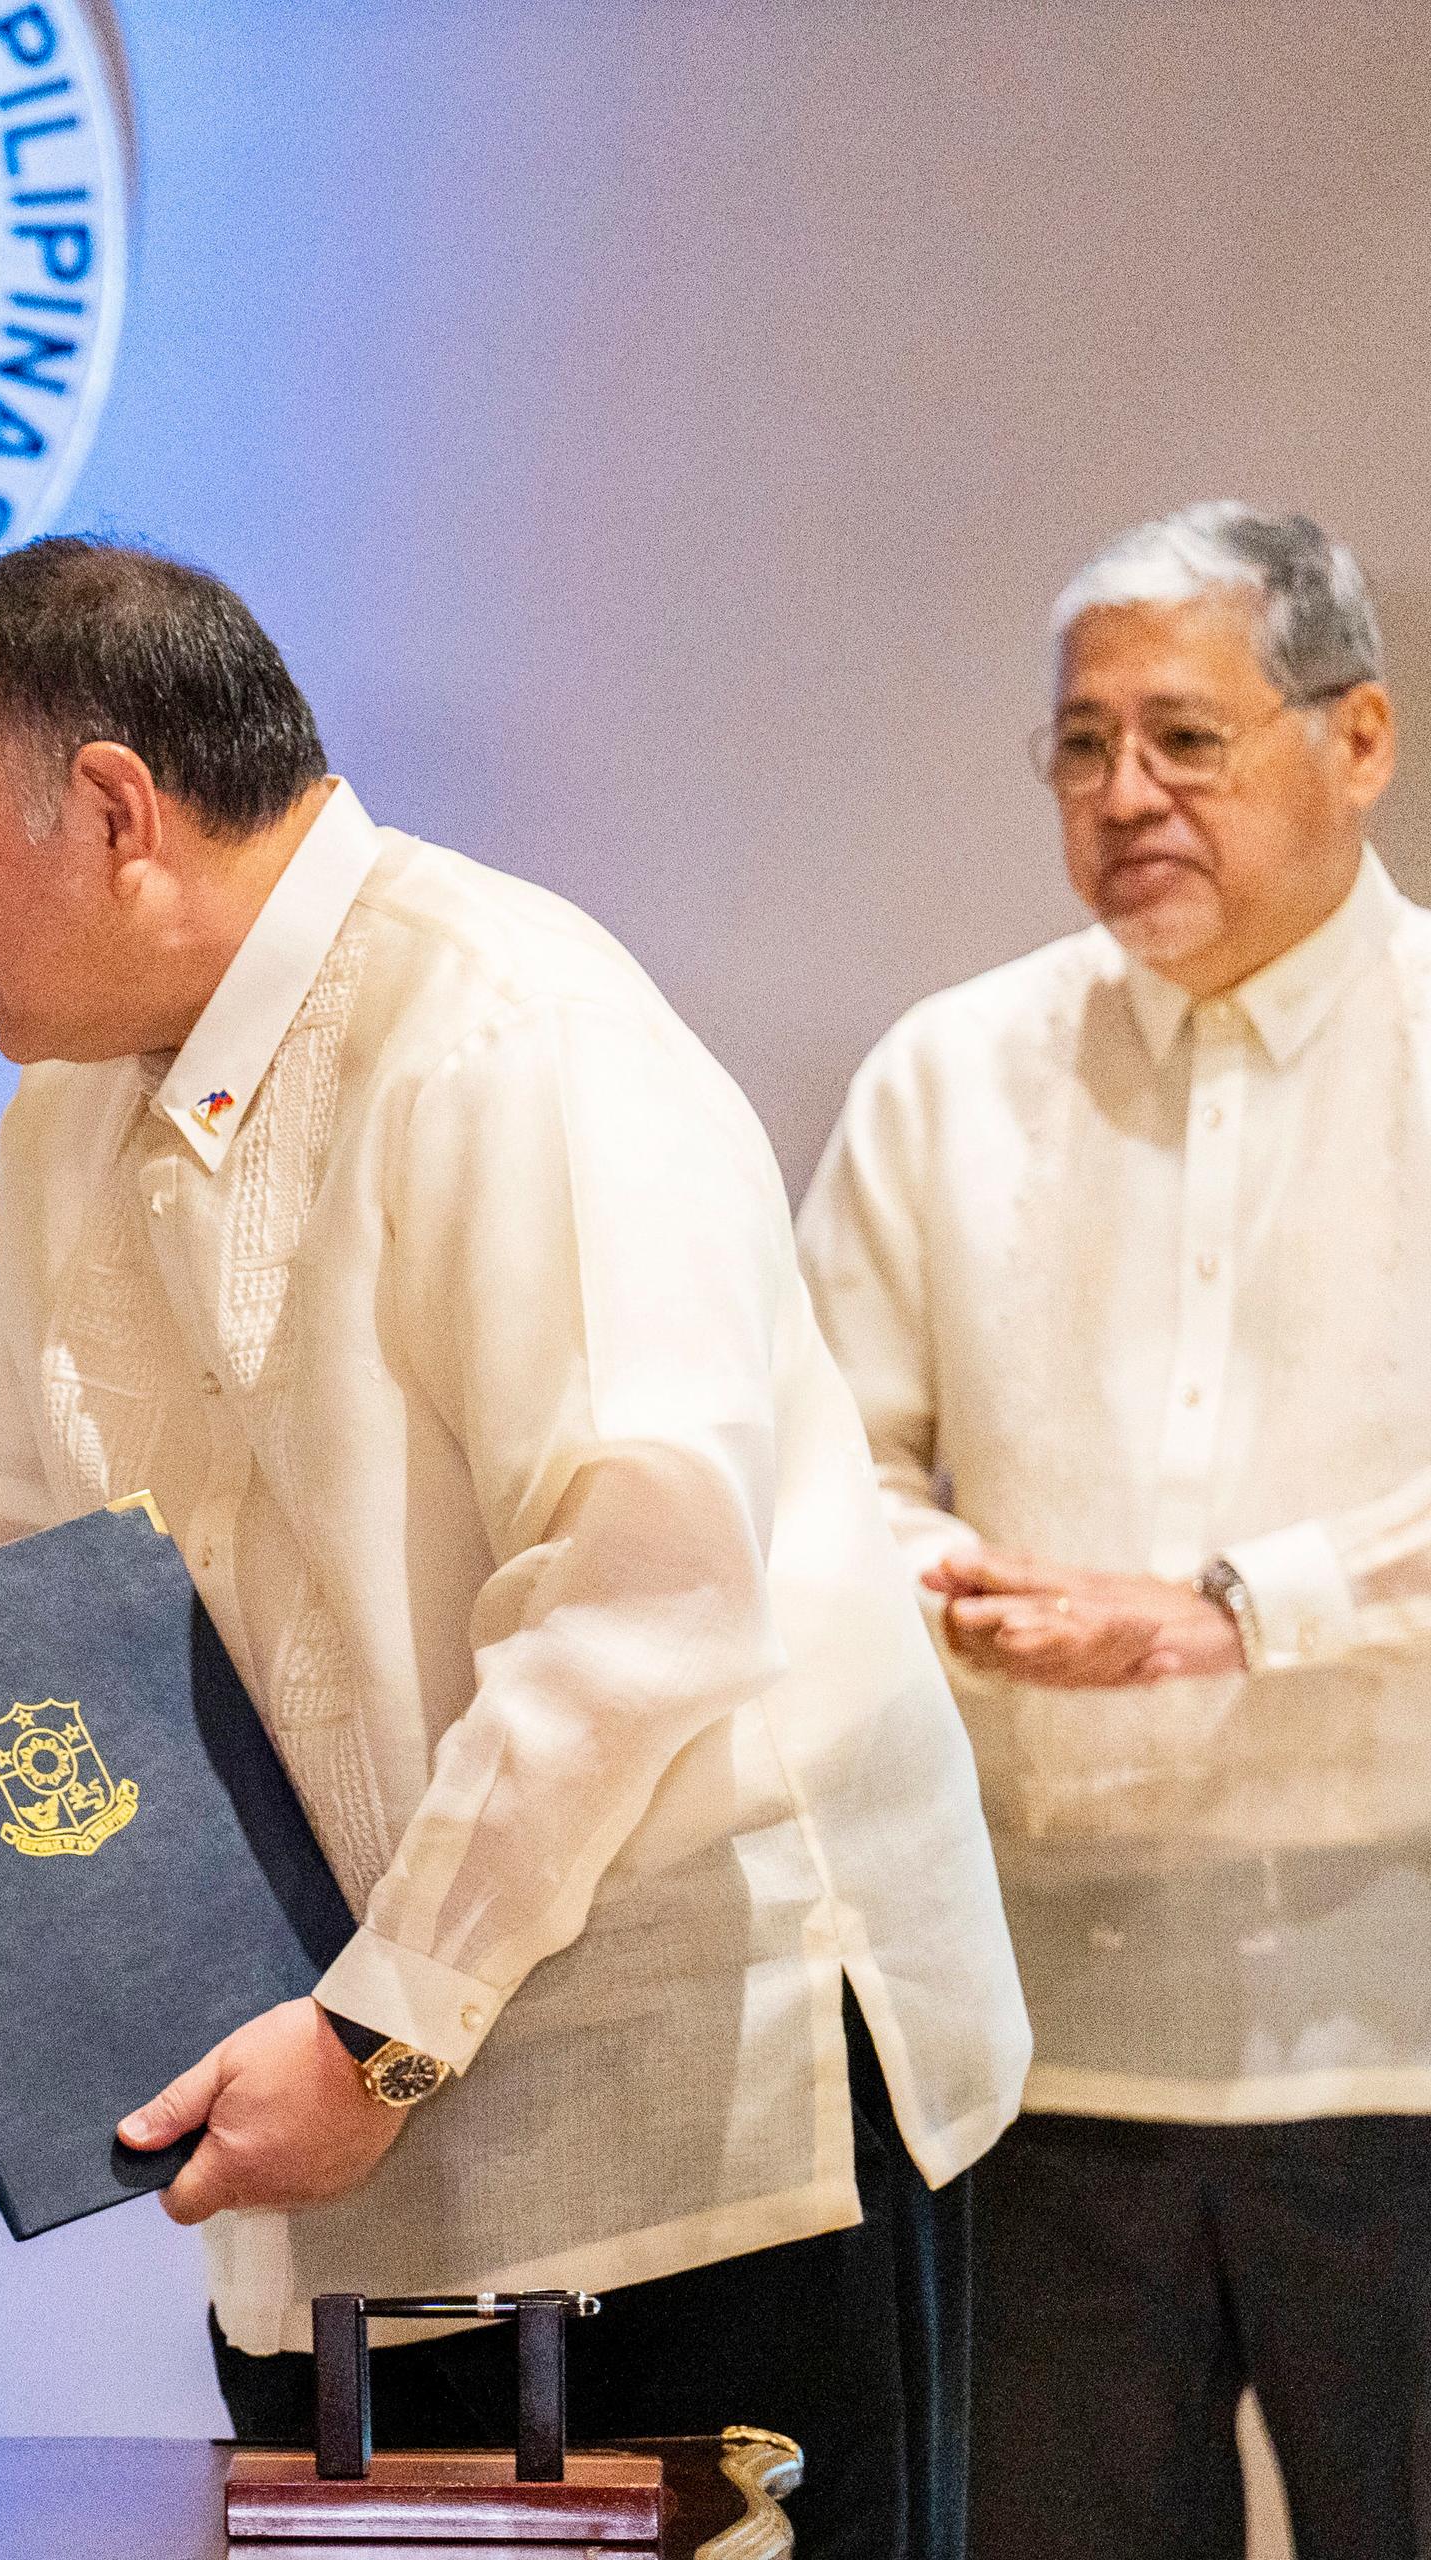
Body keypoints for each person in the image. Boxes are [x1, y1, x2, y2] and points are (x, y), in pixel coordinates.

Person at [0, 538, 1028, 2557]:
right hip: (351, 2117)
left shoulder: (505, 1027)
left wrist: (385, 2024)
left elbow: (638, 1585)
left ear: (119, 810)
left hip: (697, 2113)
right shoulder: (76, 1112)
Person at [797, 504, 1420, 2559]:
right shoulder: (947, 1078)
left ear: (1360, 742)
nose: (1122, 793)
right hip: (1039, 2056)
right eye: (1080, 745)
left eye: (1184, 737)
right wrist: (931, 1577)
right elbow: (813, 1464)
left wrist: (1242, 1609)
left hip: (1405, 2041)